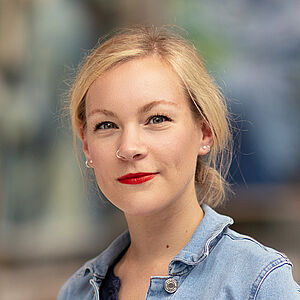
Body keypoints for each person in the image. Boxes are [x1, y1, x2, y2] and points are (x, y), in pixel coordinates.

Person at [58, 25, 300, 299]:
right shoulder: (77, 292)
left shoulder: (258, 283)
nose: (129, 148)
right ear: (87, 145)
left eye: (157, 119)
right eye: (106, 125)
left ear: (204, 133)